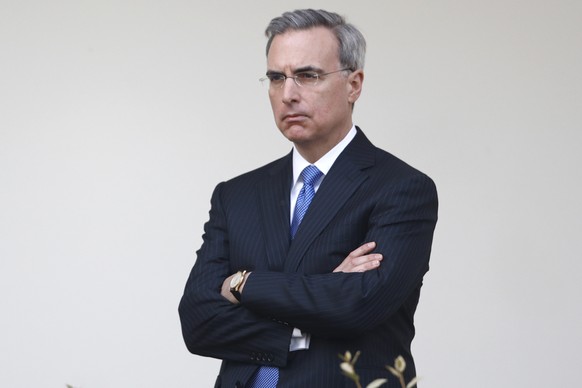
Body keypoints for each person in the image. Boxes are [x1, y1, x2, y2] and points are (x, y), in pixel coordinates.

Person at [179, 9, 438, 388]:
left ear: (354, 84)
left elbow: (359, 305)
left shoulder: (401, 188)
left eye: (307, 75)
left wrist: (241, 284)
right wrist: (319, 297)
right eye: (276, 78)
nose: (288, 94)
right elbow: (198, 321)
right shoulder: (235, 195)